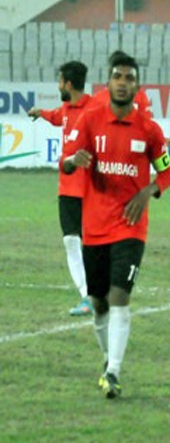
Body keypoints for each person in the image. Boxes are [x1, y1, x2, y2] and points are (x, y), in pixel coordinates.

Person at [61, 53, 170, 399]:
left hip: (130, 227)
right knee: (99, 304)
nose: (123, 82)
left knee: (119, 296)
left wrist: (148, 190)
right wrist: (72, 160)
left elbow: (166, 172)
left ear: (137, 86)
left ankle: (113, 372)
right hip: (94, 227)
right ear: (108, 83)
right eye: (117, 76)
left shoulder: (150, 130)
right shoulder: (91, 120)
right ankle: (108, 359)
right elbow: (65, 164)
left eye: (129, 77)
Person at [27, 61, 94, 316]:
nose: (58, 86)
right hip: (67, 190)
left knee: (93, 243)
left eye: (59, 81)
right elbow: (56, 117)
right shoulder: (66, 110)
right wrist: (39, 112)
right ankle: (86, 296)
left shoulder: (95, 108)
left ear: (68, 83)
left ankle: (98, 291)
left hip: (89, 189)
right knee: (70, 241)